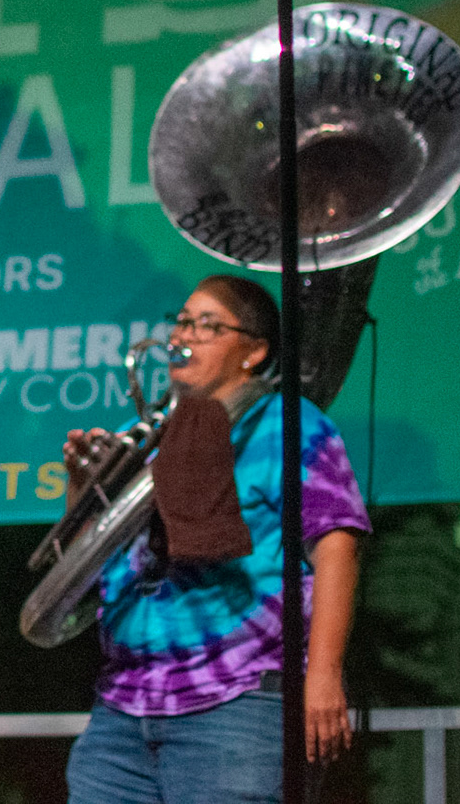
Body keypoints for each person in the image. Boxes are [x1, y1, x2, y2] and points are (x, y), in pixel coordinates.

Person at [61, 275, 369, 804]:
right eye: (182, 321)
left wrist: (322, 677)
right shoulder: (150, 440)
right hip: (121, 712)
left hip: (237, 709)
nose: (187, 335)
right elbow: (85, 569)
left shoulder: (285, 425)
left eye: (209, 325)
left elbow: (336, 545)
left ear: (253, 352)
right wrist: (82, 489)